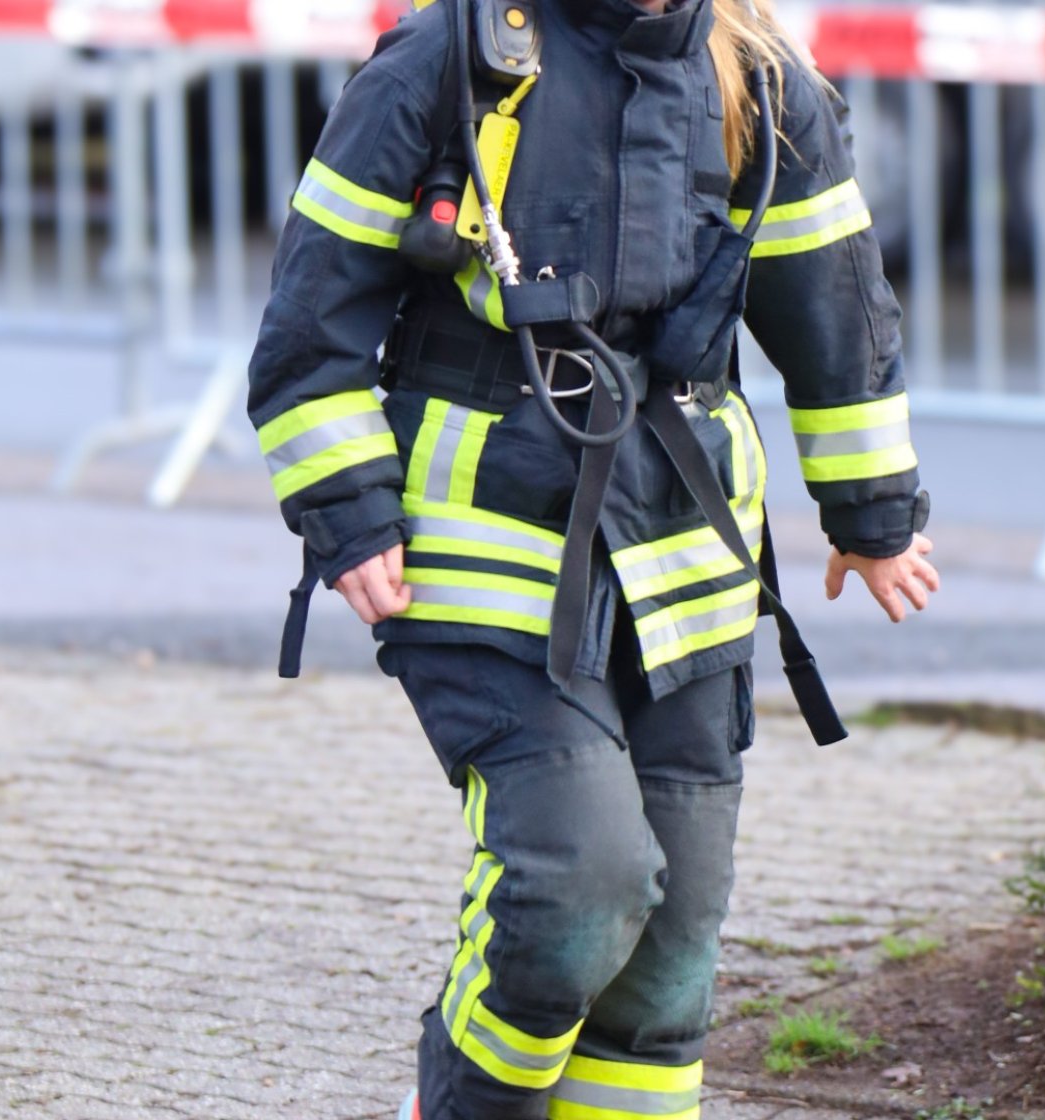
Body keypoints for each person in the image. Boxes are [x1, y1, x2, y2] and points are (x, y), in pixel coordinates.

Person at [246, 0, 939, 1116]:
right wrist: (348, 511)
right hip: (484, 542)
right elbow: (310, 319)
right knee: (578, 884)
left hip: (685, 557)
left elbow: (836, 308)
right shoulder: (447, 57)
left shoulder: (760, 76)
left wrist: (874, 515)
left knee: (672, 947)